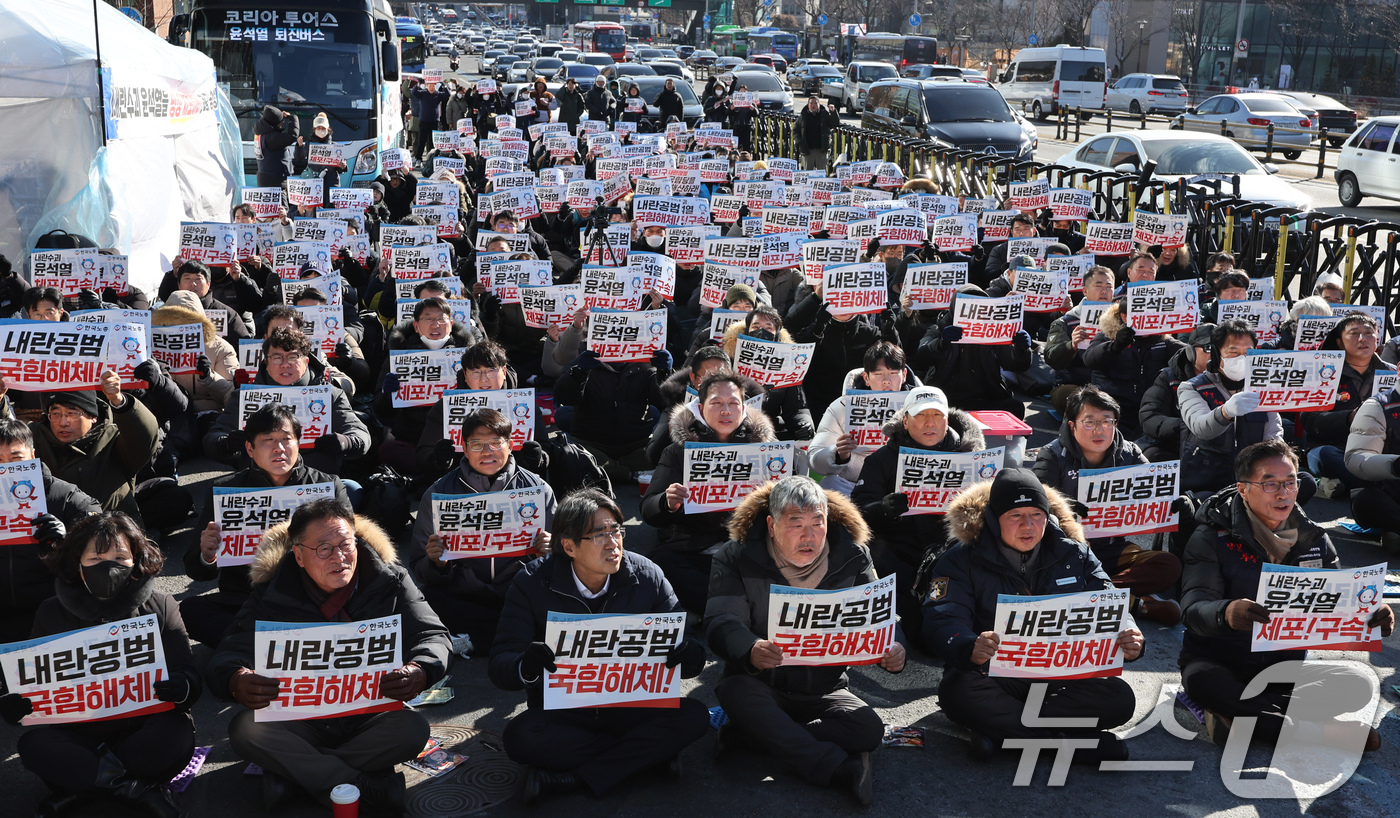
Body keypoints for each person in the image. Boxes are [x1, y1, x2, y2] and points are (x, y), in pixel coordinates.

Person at [207, 499, 452, 813]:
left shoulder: (390, 579)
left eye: (346, 544)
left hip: (369, 716)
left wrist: (420, 669)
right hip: (300, 721)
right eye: (324, 548)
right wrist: (236, 679)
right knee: (246, 730)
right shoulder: (273, 592)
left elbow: (433, 635)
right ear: (298, 555)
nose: (339, 557)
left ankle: (297, 778)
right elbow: (228, 652)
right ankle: (363, 786)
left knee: (413, 729)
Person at [488, 489, 709, 803]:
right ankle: (646, 756)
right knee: (520, 737)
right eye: (599, 534)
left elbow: (692, 650)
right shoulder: (533, 582)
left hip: (634, 706)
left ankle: (573, 777)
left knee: (694, 716)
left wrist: (687, 653)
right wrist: (527, 665)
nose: (613, 542)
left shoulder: (648, 576)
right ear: (569, 546)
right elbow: (500, 662)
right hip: (567, 712)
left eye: (616, 530)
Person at [1179, 439, 1393, 748]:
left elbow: (1341, 600)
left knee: (1358, 684)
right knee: (1205, 682)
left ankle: (1241, 719)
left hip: (1283, 672)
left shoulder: (1314, 539)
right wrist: (1226, 613)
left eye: (1290, 483)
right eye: (1270, 484)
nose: (1283, 493)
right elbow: (1193, 608)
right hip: (1220, 663)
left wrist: (1374, 612)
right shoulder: (1212, 536)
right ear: (1243, 489)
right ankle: (1317, 733)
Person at [705, 476, 904, 805]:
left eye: (818, 523)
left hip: (825, 686)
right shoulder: (736, 556)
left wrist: (896, 646)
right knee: (735, 692)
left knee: (868, 729)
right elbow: (721, 620)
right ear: (771, 525)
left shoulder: (853, 555)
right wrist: (749, 648)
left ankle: (752, 736)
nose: (809, 536)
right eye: (796, 524)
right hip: (763, 682)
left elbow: (882, 615)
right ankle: (837, 769)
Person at [922, 469, 1142, 762]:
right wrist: (969, 645)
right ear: (992, 518)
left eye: (1036, 514)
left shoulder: (1075, 553)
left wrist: (1129, 634)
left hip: (1062, 675)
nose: (1028, 525)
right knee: (958, 690)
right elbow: (942, 617)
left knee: (1119, 698)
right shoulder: (960, 559)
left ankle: (1002, 736)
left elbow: (1109, 601)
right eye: (1015, 516)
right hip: (995, 674)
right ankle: (1069, 746)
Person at [3, 512, 198, 818]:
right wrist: (18, 705)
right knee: (34, 744)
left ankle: (82, 792)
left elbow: (188, 674)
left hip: (141, 728)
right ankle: (137, 792)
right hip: (78, 734)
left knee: (177, 731)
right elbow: (34, 687)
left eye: (120, 557)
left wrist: (182, 685)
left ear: (136, 561)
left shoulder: (160, 605)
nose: (108, 567)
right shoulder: (50, 612)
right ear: (77, 564)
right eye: (95, 558)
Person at [182, 404, 350, 647]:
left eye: (286, 439)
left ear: (298, 442)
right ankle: (277, 645)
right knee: (190, 610)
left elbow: (353, 547)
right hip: (246, 599)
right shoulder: (227, 492)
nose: (279, 448)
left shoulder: (327, 487)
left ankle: (252, 646)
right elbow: (196, 570)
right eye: (268, 440)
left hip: (311, 596)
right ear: (250, 448)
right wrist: (207, 555)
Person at [408, 409, 557, 655]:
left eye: (496, 443)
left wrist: (550, 550)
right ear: (464, 449)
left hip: (519, 589)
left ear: (510, 446)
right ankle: (510, 638)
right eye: (477, 444)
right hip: (464, 593)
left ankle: (475, 640)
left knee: (551, 599)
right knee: (425, 600)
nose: (487, 452)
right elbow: (419, 566)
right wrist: (436, 562)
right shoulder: (438, 493)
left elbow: (566, 557)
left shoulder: (538, 489)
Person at [1033, 386, 1184, 624]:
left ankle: (1093, 594)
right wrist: (1063, 507)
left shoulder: (1130, 452)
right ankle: (1136, 604)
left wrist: (1179, 503)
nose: (1099, 429)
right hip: (1065, 551)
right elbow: (1037, 500)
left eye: (1107, 421)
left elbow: (1157, 493)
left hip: (1113, 548)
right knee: (1047, 576)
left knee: (1169, 565)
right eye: (1090, 422)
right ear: (1072, 425)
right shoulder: (1052, 454)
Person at [852, 386, 986, 643]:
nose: (930, 423)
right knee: (917, 631)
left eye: (937, 415)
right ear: (905, 420)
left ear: (947, 420)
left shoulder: (971, 457)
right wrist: (883, 508)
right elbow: (856, 514)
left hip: (952, 553)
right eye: (921, 415)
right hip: (897, 552)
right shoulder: (881, 460)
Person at [641, 370, 782, 613]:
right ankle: (735, 610)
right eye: (716, 403)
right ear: (700, 407)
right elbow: (648, 510)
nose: (726, 410)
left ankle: (719, 610)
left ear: (744, 407)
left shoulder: (769, 453)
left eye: (733, 403)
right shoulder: (678, 452)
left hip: (751, 550)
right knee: (660, 565)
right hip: (695, 550)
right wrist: (666, 502)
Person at [204, 328, 370, 476]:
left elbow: (359, 433)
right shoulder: (244, 397)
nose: (285, 365)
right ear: (266, 362)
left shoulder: (330, 395)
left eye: (293, 357)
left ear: (306, 362)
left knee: (352, 490)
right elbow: (213, 437)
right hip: (259, 483)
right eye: (277, 358)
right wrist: (227, 443)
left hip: (318, 482)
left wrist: (346, 441)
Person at [0, 419, 101, 642]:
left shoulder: (65, 496)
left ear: (33, 456)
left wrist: (69, 541)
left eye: (16, 459)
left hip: (54, 611)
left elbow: (101, 538)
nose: (6, 469)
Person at [1177, 320, 1295, 497]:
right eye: (1233, 353)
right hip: (1208, 477)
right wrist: (1226, 412)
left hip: (1252, 478)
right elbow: (1201, 428)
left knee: (1303, 481)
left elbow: (1274, 433)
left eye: (1247, 353)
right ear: (1217, 355)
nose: (1241, 359)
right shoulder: (1191, 388)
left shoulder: (1263, 387)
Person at [29, 371, 159, 523]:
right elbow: (7, 441)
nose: (63, 422)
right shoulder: (35, 440)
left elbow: (144, 437)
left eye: (72, 413)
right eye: (55, 414)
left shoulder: (113, 440)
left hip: (114, 535)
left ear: (93, 417)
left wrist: (120, 401)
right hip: (54, 537)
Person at [809, 342, 922, 495]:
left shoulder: (925, 408)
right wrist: (837, 454)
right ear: (866, 378)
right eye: (878, 374)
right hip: (854, 484)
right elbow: (815, 459)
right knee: (829, 485)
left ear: (904, 376)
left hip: (909, 486)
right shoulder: (842, 406)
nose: (886, 381)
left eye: (894, 373)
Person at [914, 285, 1032, 418]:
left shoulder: (994, 333)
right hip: (947, 398)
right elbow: (922, 356)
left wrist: (1021, 350)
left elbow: (1015, 365)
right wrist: (941, 343)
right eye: (966, 306)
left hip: (986, 397)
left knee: (1015, 408)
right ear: (955, 307)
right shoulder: (939, 329)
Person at [1304, 314, 1391, 497]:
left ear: (1378, 339)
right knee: (1326, 455)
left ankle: (1357, 487)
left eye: (1369, 333)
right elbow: (1311, 422)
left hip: (1378, 448)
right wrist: (1350, 417)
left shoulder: (1392, 374)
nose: (1362, 339)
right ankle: (1379, 488)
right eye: (1354, 333)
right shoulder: (1323, 372)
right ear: (1339, 342)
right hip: (1331, 447)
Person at [1083, 298, 1185, 438]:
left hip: (1148, 409)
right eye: (1141, 315)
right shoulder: (1108, 335)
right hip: (1112, 407)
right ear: (1124, 317)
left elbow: (1190, 354)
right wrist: (1115, 346)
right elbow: (1090, 359)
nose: (1147, 319)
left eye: (1151, 315)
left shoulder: (1163, 341)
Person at [1139, 323, 1213, 462]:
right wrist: (1189, 426)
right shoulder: (1169, 377)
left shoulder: (1233, 378)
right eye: (1208, 348)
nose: (1214, 354)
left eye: (1219, 349)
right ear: (1190, 351)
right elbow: (1150, 417)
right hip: (1177, 444)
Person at [1045, 265, 1115, 414]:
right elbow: (1051, 358)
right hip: (1074, 385)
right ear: (1085, 291)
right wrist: (1070, 346)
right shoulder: (1065, 322)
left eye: (1109, 287)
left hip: (1113, 385)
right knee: (1080, 400)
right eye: (1098, 286)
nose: (1104, 291)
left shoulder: (1123, 321)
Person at [253, 105, 300, 188]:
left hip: (266, 176)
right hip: (275, 179)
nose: (282, 123)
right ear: (275, 122)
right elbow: (293, 135)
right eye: (281, 121)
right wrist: (292, 118)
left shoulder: (261, 132)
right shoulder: (271, 138)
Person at [795, 95, 834, 170]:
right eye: (811, 103)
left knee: (821, 172)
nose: (813, 105)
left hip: (821, 149)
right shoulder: (803, 116)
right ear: (808, 105)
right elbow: (795, 131)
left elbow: (834, 124)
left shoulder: (824, 114)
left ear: (819, 104)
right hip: (807, 149)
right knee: (808, 172)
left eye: (815, 103)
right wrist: (800, 142)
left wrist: (833, 112)